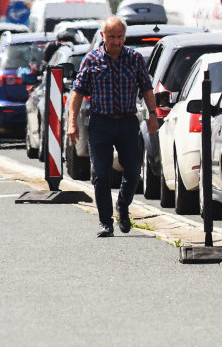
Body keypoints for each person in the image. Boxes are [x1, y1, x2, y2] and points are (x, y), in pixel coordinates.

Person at [68, 17, 159, 237]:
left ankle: (123, 206)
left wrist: (153, 116)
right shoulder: (91, 60)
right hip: (101, 123)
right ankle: (105, 222)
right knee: (101, 173)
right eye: (111, 37)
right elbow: (77, 92)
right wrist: (72, 123)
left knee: (134, 171)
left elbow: (146, 88)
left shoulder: (134, 59)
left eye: (119, 37)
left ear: (124, 37)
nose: (116, 41)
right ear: (102, 36)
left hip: (128, 122)